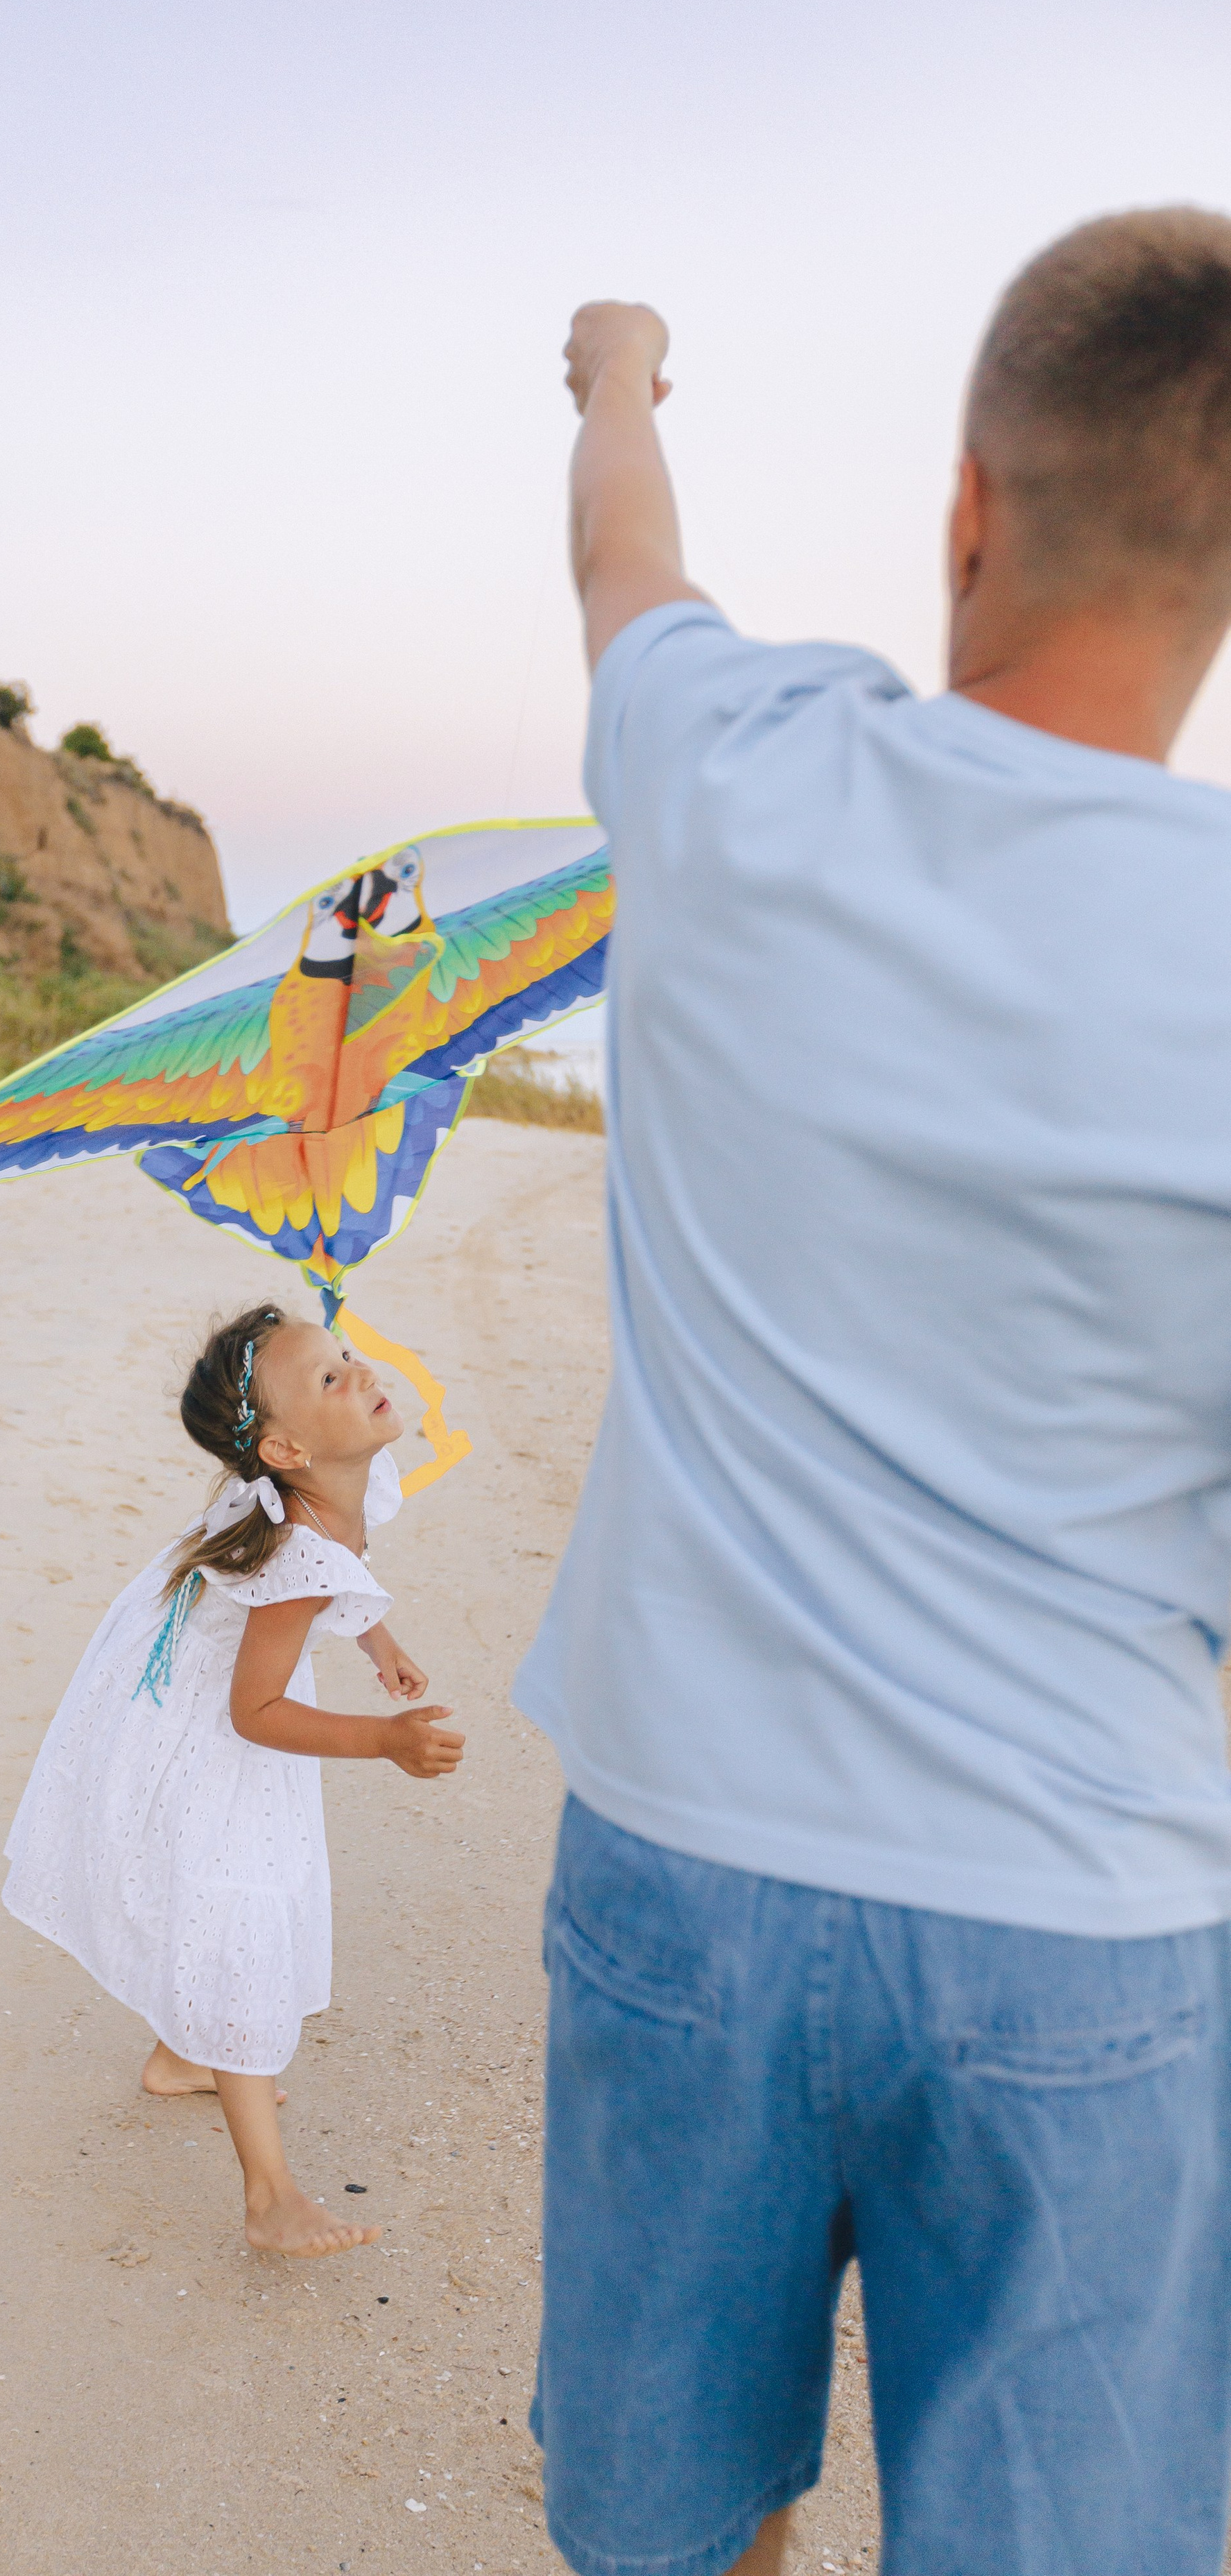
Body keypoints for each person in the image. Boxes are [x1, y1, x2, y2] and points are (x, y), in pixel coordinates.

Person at [516, 209, 1231, 2575]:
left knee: (667, 2527)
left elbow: (629, 556)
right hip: (1084, 1915)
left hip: (689, 1855)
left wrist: (623, 370)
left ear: (964, 515)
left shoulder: (742, 766)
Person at [3, 1299, 463, 2258]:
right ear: (289, 1451)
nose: (362, 1371)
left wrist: (379, 1639)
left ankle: (183, 2055)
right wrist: (383, 1740)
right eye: (332, 1379)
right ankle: (270, 2198)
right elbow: (254, 1711)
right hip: (199, 1727)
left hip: (182, 1687)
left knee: (233, 1913)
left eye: (346, 1355)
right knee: (239, 1918)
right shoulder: (292, 1544)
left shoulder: (319, 1482)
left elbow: (342, 1565)